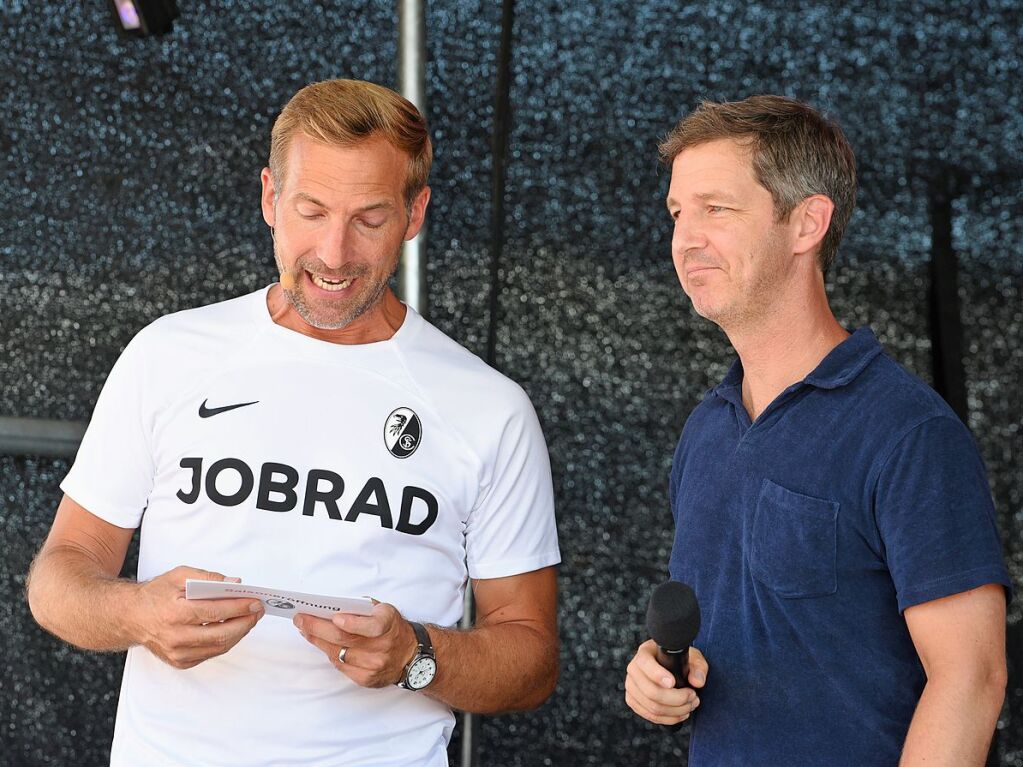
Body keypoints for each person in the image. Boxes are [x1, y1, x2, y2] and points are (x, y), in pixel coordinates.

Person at [27, 79, 560, 767]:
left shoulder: (489, 409)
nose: (334, 253)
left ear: (415, 212)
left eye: (369, 218)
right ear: (270, 199)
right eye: (311, 210)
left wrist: (416, 655)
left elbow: (531, 658)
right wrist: (138, 614)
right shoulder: (169, 353)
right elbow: (58, 579)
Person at [624, 95, 1010, 765]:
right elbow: (750, 638)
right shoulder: (706, 430)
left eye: (716, 208)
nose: (685, 237)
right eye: (677, 212)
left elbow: (971, 678)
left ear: (806, 222)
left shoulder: (908, 433)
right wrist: (658, 673)